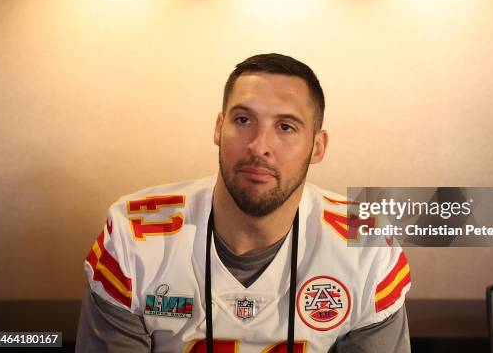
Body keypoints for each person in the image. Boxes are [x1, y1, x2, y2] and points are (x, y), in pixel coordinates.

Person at [76, 53, 411, 352]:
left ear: (318, 147)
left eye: (285, 126)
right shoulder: (132, 234)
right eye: (243, 120)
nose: (259, 146)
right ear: (219, 128)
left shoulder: (369, 243)